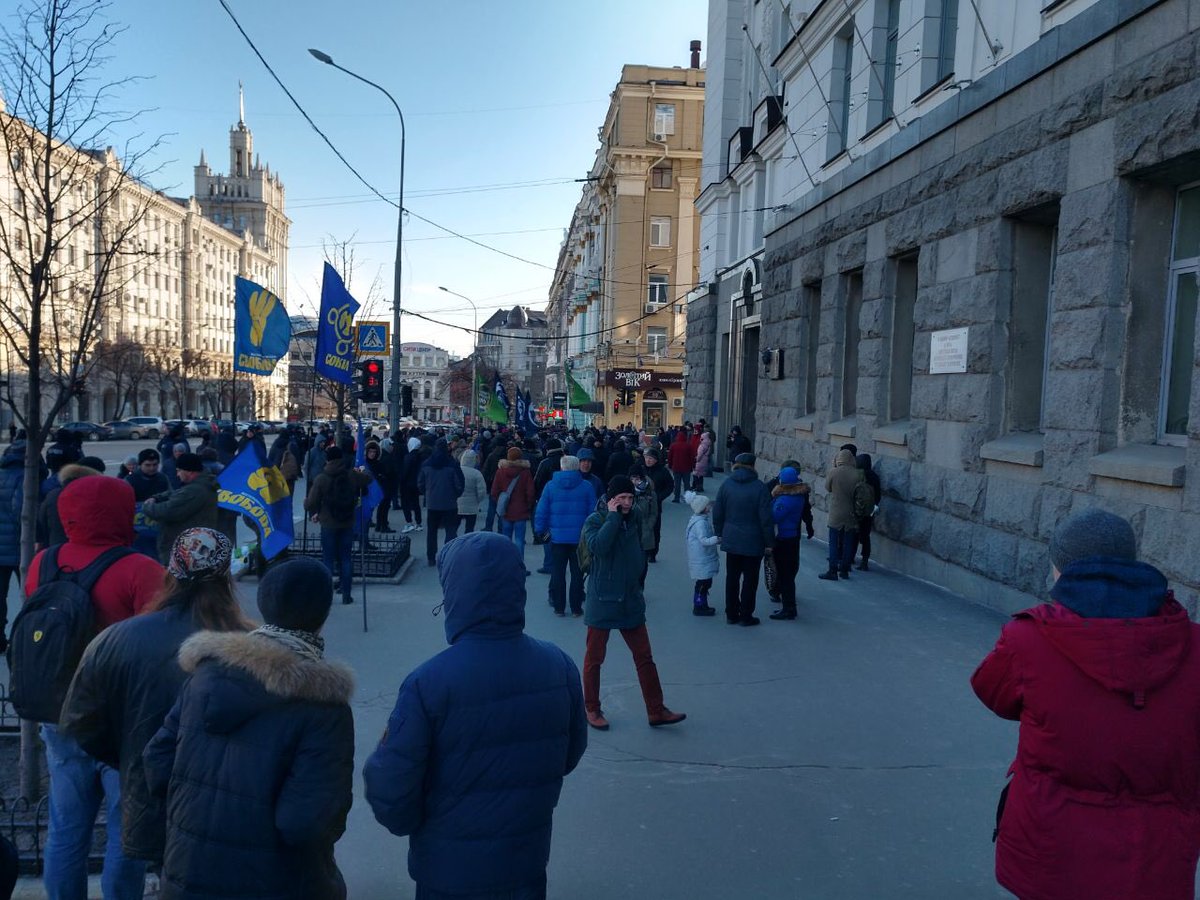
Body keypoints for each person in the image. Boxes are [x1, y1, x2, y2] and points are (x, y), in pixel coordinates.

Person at [971, 509, 1200, 900]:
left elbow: (994, 692)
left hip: (1051, 844)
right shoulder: (1192, 643)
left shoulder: (1029, 638)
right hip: (1153, 856)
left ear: (1061, 568)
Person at [364, 532, 586, 899]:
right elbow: (570, 754)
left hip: (447, 871)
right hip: (525, 863)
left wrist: (416, 823)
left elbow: (391, 787)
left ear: (454, 593)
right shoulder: (558, 666)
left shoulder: (428, 682)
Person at [144, 558, 354, 899]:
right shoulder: (324, 708)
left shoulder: (205, 676)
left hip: (188, 873)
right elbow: (305, 822)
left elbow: (156, 760)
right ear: (323, 617)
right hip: (276, 882)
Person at [59, 528, 251, 869]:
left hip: (149, 790)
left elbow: (80, 719)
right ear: (227, 579)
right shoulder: (250, 644)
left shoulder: (118, 637)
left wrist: (132, 754)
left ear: (170, 572)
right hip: (231, 797)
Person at [24, 476, 165, 900]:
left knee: (66, 828)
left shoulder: (44, 562)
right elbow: (160, 644)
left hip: (60, 712)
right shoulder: (140, 569)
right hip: (124, 722)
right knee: (128, 831)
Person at [580, 475, 686, 731]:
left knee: (644, 657)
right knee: (595, 659)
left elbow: (639, 545)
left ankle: (656, 709)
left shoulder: (635, 516)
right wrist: (614, 517)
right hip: (603, 599)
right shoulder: (596, 520)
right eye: (622, 498)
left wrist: (638, 579)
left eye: (630, 497)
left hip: (629, 598)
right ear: (611, 498)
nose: (627, 502)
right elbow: (599, 548)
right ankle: (591, 708)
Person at [304, 445, 374, 605]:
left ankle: (326, 595)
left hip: (328, 523)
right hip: (347, 522)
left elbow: (311, 503)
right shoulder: (351, 475)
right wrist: (362, 469)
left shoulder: (322, 478)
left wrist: (308, 504)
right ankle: (347, 594)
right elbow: (369, 478)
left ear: (327, 459)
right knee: (346, 558)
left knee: (327, 559)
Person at [712, 453, 774, 626]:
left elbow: (718, 512)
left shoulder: (727, 485)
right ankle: (746, 615)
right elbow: (766, 519)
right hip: (754, 540)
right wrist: (770, 542)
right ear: (753, 466)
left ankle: (731, 613)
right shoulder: (760, 487)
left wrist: (719, 532)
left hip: (731, 538)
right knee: (750, 579)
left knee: (732, 577)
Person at [534, 456, 596, 617]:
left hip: (557, 537)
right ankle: (576, 607)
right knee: (577, 573)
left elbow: (542, 511)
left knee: (558, 573)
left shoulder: (550, 486)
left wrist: (541, 531)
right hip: (579, 539)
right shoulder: (587, 486)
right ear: (577, 467)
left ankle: (559, 607)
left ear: (561, 467)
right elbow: (593, 514)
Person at [142, 454, 219, 565]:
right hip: (193, 548)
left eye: (179, 471)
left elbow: (167, 511)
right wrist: (157, 497)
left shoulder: (195, 491)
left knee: (177, 581)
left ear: (189, 472)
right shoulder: (200, 485)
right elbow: (176, 493)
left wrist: (147, 506)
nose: (177, 475)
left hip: (185, 551)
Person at [36, 458, 105, 550]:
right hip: (88, 553)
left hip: (55, 552)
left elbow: (41, 526)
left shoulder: (53, 495)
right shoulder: (95, 497)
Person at [768, 467, 808, 621]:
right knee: (788, 574)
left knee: (785, 575)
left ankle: (788, 608)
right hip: (792, 537)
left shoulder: (785, 500)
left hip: (784, 538)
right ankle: (788, 606)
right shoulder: (798, 496)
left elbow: (775, 517)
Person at [417, 438, 465, 567]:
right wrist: (455, 495)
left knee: (431, 532)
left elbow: (420, 484)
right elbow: (459, 484)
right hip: (450, 504)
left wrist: (428, 494)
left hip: (432, 503)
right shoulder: (452, 464)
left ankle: (431, 557)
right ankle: (448, 555)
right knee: (451, 530)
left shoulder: (427, 464)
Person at [821, 448, 863, 581]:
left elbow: (827, 487)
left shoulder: (834, 472)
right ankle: (845, 570)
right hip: (851, 513)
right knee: (848, 542)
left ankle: (832, 570)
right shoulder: (858, 474)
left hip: (836, 513)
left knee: (833, 542)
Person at [491, 447, 536, 567]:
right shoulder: (525, 472)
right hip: (521, 511)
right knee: (520, 540)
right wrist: (528, 505)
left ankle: (506, 564)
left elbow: (494, 491)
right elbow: (530, 492)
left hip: (506, 511)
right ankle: (519, 565)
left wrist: (500, 503)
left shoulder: (500, 471)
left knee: (506, 539)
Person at [684, 492, 719, 617]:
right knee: (703, 584)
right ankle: (698, 605)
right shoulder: (700, 523)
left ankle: (702, 604)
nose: (710, 507)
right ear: (702, 508)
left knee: (704, 583)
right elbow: (704, 540)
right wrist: (717, 539)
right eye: (708, 505)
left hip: (701, 557)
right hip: (702, 558)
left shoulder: (699, 520)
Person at [641, 448, 672, 562]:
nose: (648, 460)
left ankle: (652, 553)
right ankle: (642, 550)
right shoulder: (641, 470)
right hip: (641, 504)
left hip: (655, 506)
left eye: (651, 458)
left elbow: (669, 486)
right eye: (646, 458)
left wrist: (658, 497)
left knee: (654, 529)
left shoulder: (662, 471)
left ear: (655, 460)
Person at [852, 452, 881, 570]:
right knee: (865, 535)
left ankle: (850, 557)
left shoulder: (857, 474)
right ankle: (865, 560)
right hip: (869, 510)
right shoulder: (874, 476)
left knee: (853, 533)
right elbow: (878, 494)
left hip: (857, 508)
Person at [363, 441, 396, 533]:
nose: (372, 454)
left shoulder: (378, 463)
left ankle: (381, 525)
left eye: (374, 452)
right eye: (370, 452)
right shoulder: (364, 464)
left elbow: (384, 474)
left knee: (384, 506)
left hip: (381, 488)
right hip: (368, 490)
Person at [456, 448, 488, 533]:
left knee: (453, 528)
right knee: (469, 529)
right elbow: (482, 491)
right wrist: (477, 500)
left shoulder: (456, 471)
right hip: (472, 506)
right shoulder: (476, 473)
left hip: (457, 504)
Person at [399, 436, 425, 534]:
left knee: (405, 504)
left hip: (406, 484)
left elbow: (405, 471)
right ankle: (419, 523)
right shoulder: (420, 456)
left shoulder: (408, 457)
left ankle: (409, 523)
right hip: (416, 484)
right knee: (416, 503)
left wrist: (401, 479)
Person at [667, 430, 695, 503]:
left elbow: (670, 456)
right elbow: (692, 457)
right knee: (687, 483)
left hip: (676, 467)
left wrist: (670, 465)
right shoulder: (688, 445)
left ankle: (676, 497)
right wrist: (692, 466)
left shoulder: (673, 445)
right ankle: (688, 498)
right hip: (686, 467)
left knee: (677, 483)